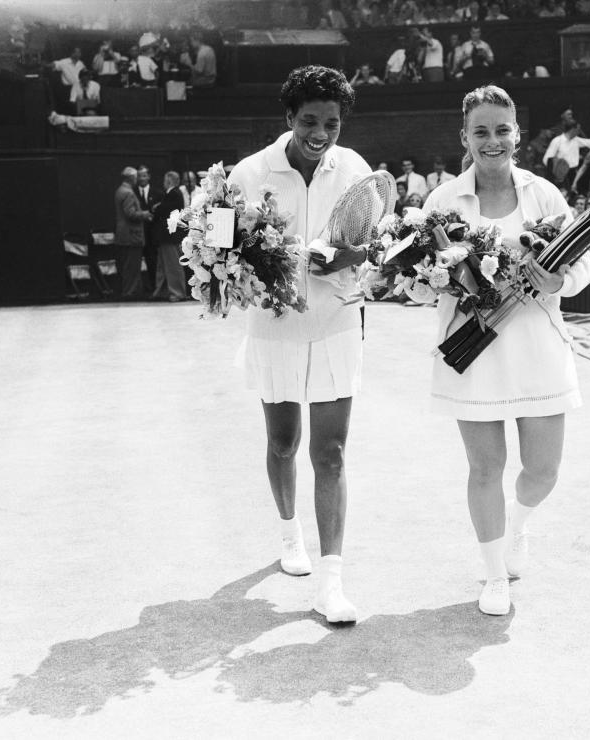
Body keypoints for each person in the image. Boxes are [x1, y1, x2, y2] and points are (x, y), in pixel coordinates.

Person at [422, 84, 590, 616]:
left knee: (543, 472)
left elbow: (585, 265)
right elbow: (417, 279)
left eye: (502, 130)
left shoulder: (545, 194)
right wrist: (442, 280)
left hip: (539, 351)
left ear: (516, 135)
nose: (492, 140)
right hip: (471, 352)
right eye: (481, 131)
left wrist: (554, 282)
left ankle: (517, 526)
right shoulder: (441, 201)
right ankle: (494, 572)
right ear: (465, 138)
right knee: (484, 469)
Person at [226, 65, 371, 624]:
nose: (321, 133)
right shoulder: (247, 173)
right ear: (288, 118)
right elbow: (223, 249)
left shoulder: (354, 168)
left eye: (332, 122)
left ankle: (332, 585)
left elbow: (370, 243)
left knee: (330, 452)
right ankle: (291, 536)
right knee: (283, 442)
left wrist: (346, 257)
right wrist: (252, 266)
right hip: (275, 328)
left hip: (336, 320)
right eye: (310, 120)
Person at [114, 167, 152, 300]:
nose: (137, 180)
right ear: (131, 178)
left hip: (124, 234)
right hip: (132, 235)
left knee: (128, 266)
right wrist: (146, 214)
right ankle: (130, 293)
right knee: (132, 266)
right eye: (136, 177)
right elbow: (130, 214)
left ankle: (130, 291)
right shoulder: (128, 193)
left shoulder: (120, 190)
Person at [150, 171, 187, 301]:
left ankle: (177, 293)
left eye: (165, 180)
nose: (163, 182)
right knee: (163, 265)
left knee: (172, 265)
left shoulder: (174, 193)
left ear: (169, 181)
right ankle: (162, 291)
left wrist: (157, 208)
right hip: (166, 236)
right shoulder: (173, 193)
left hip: (169, 236)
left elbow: (166, 210)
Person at [542, 120, 590, 191]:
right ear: (573, 129)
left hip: (574, 173)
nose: (579, 131)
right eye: (578, 129)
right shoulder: (557, 141)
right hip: (561, 175)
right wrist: (556, 171)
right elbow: (546, 159)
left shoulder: (576, 140)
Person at [134, 165, 161, 293]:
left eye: (144, 175)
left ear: (149, 176)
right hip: (138, 233)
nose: (142, 178)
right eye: (139, 176)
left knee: (153, 261)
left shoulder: (157, 193)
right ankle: (141, 290)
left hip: (153, 234)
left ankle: (154, 289)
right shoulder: (132, 192)